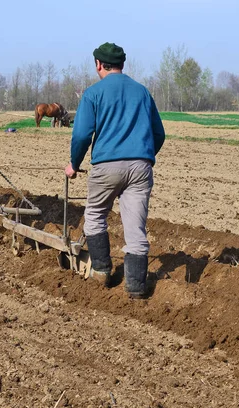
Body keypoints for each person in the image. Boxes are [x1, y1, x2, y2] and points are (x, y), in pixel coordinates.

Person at [64, 42, 166, 299]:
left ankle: (101, 272)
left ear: (98, 64)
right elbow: (159, 133)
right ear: (123, 64)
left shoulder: (93, 93)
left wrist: (74, 165)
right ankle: (136, 289)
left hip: (106, 167)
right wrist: (144, 157)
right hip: (141, 168)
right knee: (136, 229)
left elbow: (81, 135)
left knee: (95, 215)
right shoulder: (142, 92)